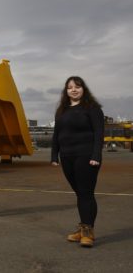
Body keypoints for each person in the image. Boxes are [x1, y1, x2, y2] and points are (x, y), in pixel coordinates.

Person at [51, 76, 104, 248]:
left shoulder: (92, 108)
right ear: (66, 91)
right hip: (67, 157)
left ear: (83, 89)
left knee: (86, 193)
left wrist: (96, 155)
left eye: (77, 87)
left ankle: (88, 231)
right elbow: (56, 135)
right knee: (80, 194)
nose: (74, 90)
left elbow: (99, 134)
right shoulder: (62, 110)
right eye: (70, 87)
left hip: (86, 156)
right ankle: (83, 228)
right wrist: (54, 156)